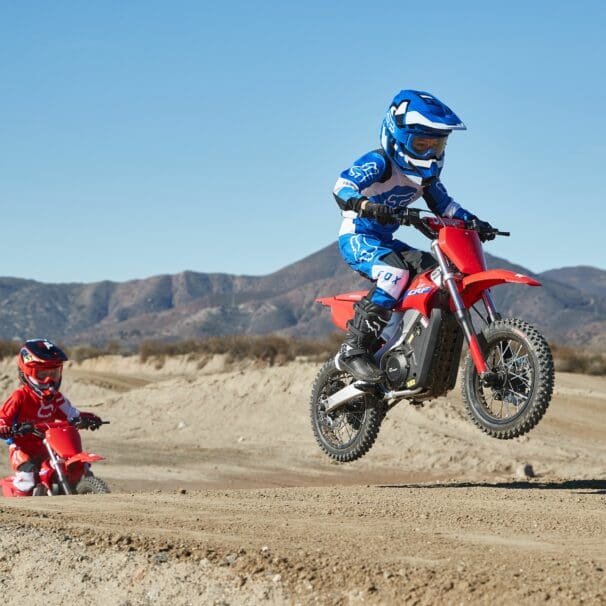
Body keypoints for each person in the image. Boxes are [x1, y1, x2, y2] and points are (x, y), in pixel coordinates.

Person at [333, 89, 494, 383]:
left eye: (438, 144)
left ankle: (406, 349)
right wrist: (363, 204)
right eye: (422, 143)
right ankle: (353, 349)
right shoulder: (380, 162)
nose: (431, 152)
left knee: (437, 278)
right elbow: (343, 184)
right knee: (393, 273)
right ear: (398, 136)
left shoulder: (426, 178)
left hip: (388, 241)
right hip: (359, 237)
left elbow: (447, 206)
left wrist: (475, 222)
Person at [0, 339, 101, 496]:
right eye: (42, 374)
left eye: (53, 373)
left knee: (74, 465)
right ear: (27, 373)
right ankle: (21, 508)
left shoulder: (56, 398)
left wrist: (88, 418)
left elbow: (72, 414)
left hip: (50, 445)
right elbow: (3, 418)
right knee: (27, 480)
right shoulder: (19, 397)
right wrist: (6, 429)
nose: (49, 380)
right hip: (23, 449)